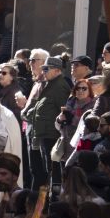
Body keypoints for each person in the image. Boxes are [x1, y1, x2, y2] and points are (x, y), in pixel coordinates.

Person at [23, 56, 71, 190]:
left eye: (46, 69)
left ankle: (52, 199)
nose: (43, 71)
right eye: (43, 68)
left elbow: (63, 112)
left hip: (52, 136)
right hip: (45, 135)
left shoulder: (60, 86)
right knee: (47, 170)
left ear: (57, 70)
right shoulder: (51, 85)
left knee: (52, 171)